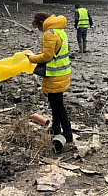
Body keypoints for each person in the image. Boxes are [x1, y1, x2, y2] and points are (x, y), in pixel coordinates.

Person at [26, 13, 73, 143]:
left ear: (41, 23)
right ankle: (56, 128)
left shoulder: (49, 33)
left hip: (54, 75)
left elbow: (47, 57)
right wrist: (39, 54)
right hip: (63, 72)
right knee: (56, 102)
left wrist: (31, 58)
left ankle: (68, 134)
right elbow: (55, 51)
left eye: (38, 28)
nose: (39, 31)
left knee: (57, 104)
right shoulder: (59, 30)